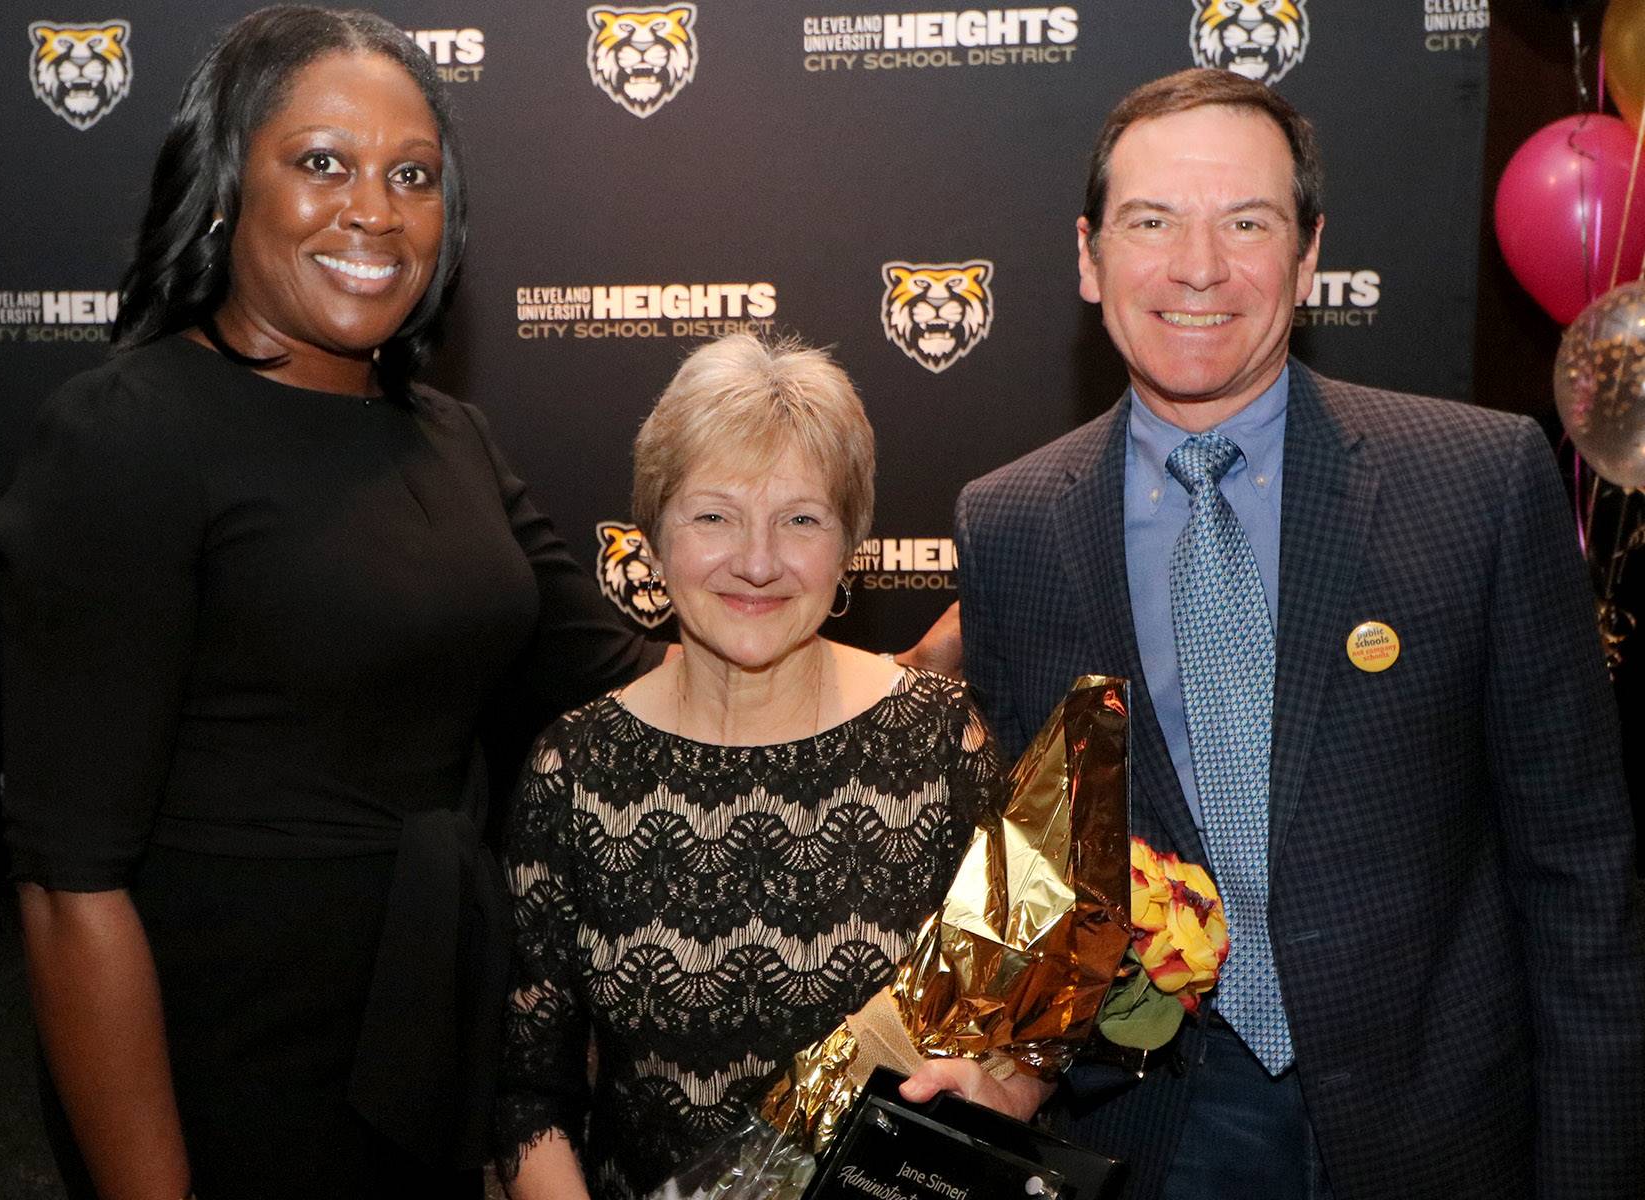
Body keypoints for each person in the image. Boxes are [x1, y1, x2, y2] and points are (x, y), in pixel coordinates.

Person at [0, 9, 658, 1199]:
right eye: (321, 164)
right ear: (223, 185)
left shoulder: (450, 435)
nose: (375, 210)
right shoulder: (127, 434)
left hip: (431, 1024)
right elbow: (65, 887)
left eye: (413, 176)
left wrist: (899, 673)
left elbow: (617, 678)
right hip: (225, 1059)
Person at [954, 68, 1645, 1200]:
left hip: (1443, 1131)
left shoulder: (1477, 482)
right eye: (1151, 222)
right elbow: (1040, 861)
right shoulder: (1013, 522)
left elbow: (1581, 875)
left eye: (1247, 222)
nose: (1198, 267)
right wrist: (993, 1054)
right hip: (1156, 1135)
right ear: (1088, 257)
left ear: (1310, 254)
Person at [493, 334, 1033, 1200]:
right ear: (653, 534)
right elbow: (530, 1097)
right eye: (713, 516)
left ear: (850, 541)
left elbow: (1015, 1031)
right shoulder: (575, 770)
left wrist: (1003, 1092)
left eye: (801, 519)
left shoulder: (937, 744)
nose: (756, 561)